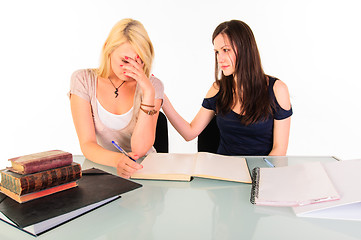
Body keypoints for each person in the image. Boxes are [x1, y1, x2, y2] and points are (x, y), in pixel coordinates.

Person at [162, 20, 292, 156]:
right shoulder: (218, 88)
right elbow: (189, 133)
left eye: (225, 50)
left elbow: (279, 149)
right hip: (224, 171)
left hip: (261, 172)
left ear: (245, 49)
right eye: (217, 52)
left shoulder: (277, 89)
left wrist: (259, 175)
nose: (220, 59)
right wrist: (162, 98)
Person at [69, 19, 164, 178]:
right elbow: (87, 144)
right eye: (125, 60)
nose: (131, 68)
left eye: (138, 60)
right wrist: (118, 160)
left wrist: (148, 92)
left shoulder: (153, 86)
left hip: (144, 171)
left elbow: (139, 150)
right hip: (103, 170)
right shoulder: (83, 80)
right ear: (108, 50)